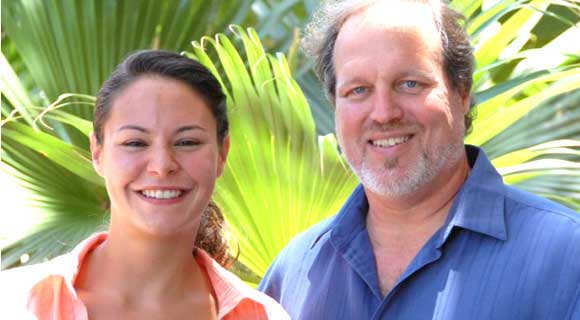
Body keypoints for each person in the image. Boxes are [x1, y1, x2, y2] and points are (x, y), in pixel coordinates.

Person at [258, 0, 580, 319]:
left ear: (462, 92)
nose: (384, 113)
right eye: (358, 90)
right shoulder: (292, 276)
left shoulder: (565, 257)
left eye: (410, 84)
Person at [1, 50, 289, 320]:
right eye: (135, 143)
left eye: (187, 142)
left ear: (222, 153)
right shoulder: (14, 303)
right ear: (97, 153)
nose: (162, 166)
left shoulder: (263, 315)